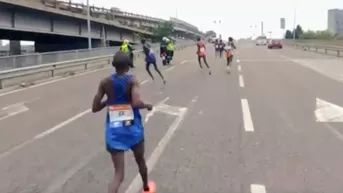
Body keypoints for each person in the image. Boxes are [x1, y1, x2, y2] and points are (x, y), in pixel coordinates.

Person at [91, 51, 156, 193]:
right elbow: (136, 102)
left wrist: (108, 101)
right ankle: (145, 187)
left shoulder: (105, 82)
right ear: (128, 66)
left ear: (113, 65)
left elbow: (95, 108)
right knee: (140, 161)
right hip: (133, 129)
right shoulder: (132, 80)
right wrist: (148, 105)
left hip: (114, 132)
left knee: (118, 175)